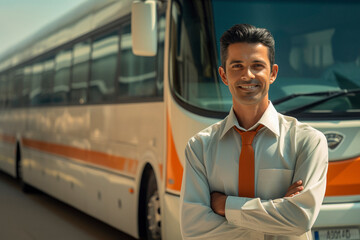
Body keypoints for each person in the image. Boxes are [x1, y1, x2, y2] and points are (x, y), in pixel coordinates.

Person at [180, 24, 328, 239]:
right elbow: (193, 230)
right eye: (237, 66)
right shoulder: (199, 147)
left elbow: (299, 219)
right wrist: (277, 209)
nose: (247, 75)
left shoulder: (308, 141)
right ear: (223, 75)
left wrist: (225, 206)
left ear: (273, 73)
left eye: (257, 65)